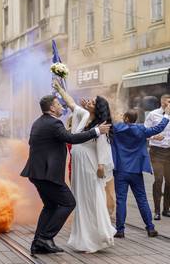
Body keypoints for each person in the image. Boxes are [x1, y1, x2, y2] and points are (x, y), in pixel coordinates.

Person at [20, 95, 111, 255]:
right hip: (47, 174)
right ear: (52, 108)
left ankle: (38, 244)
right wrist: (96, 131)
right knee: (68, 203)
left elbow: (60, 136)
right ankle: (45, 238)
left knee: (50, 206)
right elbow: (70, 138)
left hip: (37, 173)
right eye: (58, 104)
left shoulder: (40, 121)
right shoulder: (54, 123)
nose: (62, 107)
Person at [110, 106, 170, 238]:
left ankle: (120, 230)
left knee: (121, 200)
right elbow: (158, 128)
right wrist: (166, 115)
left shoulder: (116, 129)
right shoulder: (141, 129)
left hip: (120, 169)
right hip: (136, 170)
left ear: (126, 118)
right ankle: (150, 228)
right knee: (142, 199)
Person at [66, 96, 116, 253]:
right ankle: (83, 238)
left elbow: (102, 145)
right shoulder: (85, 116)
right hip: (79, 166)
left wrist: (101, 165)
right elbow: (71, 104)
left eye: (93, 102)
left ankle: (95, 239)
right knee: (80, 200)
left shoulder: (101, 125)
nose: (89, 102)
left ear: (98, 108)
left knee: (91, 199)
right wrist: (60, 87)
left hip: (89, 165)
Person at [145, 94, 170, 220]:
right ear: (162, 103)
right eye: (169, 101)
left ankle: (166, 209)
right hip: (156, 151)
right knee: (159, 179)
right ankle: (157, 211)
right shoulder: (152, 114)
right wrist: (153, 137)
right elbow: (144, 133)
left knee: (169, 182)